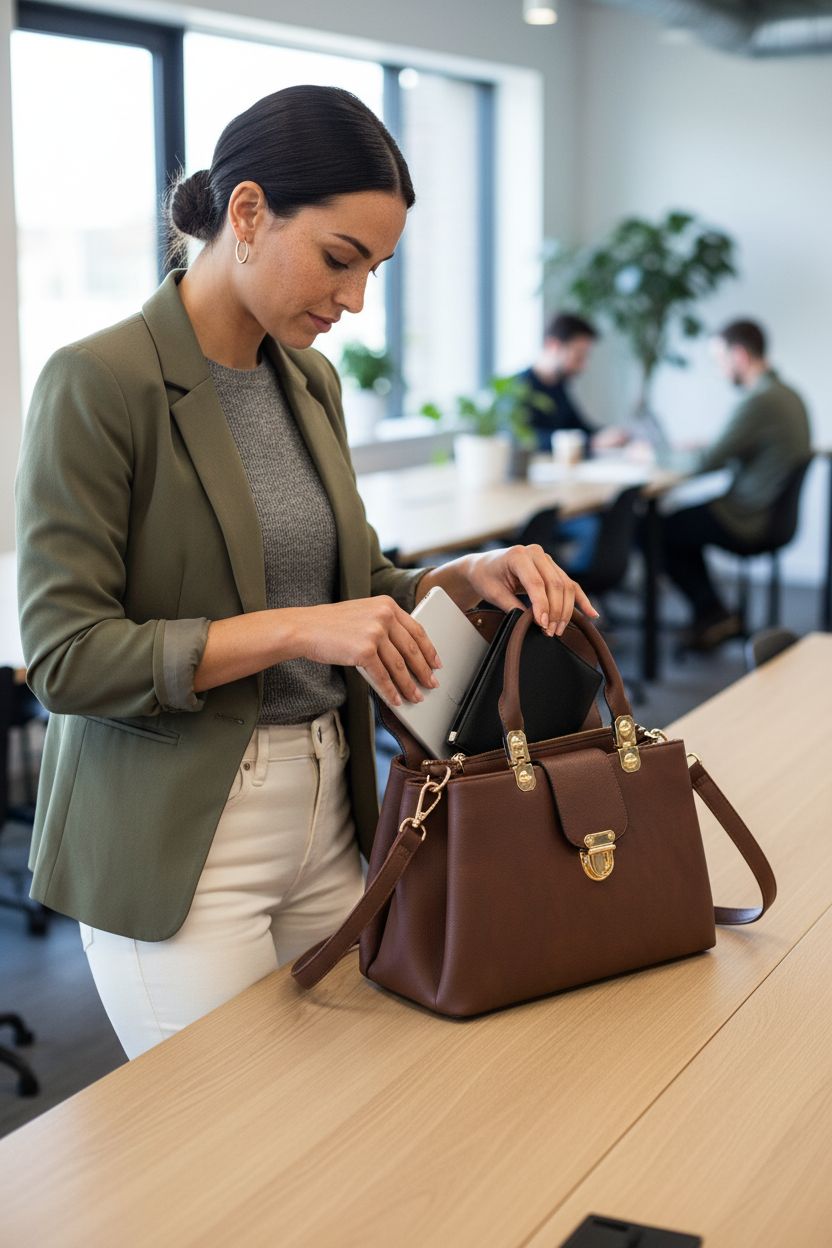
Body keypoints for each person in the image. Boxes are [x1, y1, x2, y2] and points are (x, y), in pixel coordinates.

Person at [16, 85, 598, 1060]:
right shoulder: (100, 381)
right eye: (339, 259)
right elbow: (68, 658)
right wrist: (297, 630)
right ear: (246, 213)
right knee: (231, 1166)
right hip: (186, 838)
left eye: (374, 268)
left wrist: (461, 574)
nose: (356, 299)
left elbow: (357, 579)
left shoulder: (310, 379)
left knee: (341, 1130)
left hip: (333, 808)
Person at [662, 319, 811, 650]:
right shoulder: (787, 395)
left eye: (720, 359)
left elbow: (707, 462)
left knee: (658, 529)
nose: (719, 369)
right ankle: (712, 613)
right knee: (678, 525)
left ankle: (711, 612)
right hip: (770, 515)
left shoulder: (760, 400)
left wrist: (657, 454)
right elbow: (735, 445)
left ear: (739, 355)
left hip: (748, 518)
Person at [516, 312, 627, 455]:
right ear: (553, 346)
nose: (583, 366)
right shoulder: (517, 388)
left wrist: (613, 436)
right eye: (578, 356)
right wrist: (591, 442)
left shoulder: (558, 386)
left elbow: (579, 428)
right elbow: (526, 438)